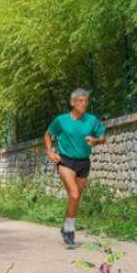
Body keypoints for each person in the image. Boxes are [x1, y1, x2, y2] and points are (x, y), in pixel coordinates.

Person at [43, 89, 106, 246]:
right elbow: (47, 134)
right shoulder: (61, 121)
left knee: (74, 198)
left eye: (85, 101)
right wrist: (49, 151)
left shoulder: (92, 121)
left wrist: (95, 140)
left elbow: (103, 137)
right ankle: (70, 230)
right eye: (80, 100)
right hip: (65, 161)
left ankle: (66, 227)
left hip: (84, 162)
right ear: (72, 102)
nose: (83, 103)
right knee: (75, 194)